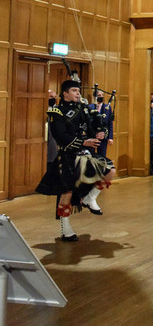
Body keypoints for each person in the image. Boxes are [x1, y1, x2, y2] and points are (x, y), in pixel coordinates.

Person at [35, 79, 113, 241]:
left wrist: (100, 132)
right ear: (65, 94)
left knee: (109, 169)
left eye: (78, 91)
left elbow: (95, 125)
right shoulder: (57, 112)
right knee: (67, 192)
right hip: (67, 157)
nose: (78, 93)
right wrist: (83, 142)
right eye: (74, 91)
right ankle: (66, 229)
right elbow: (60, 136)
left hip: (85, 154)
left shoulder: (83, 108)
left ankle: (91, 197)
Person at [84, 88, 115, 214]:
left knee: (103, 160)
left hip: (103, 138)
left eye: (102, 95)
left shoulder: (107, 108)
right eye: (99, 95)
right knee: (91, 159)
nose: (101, 96)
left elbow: (110, 124)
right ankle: (90, 181)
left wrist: (110, 137)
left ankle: (98, 181)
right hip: (92, 138)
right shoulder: (89, 107)